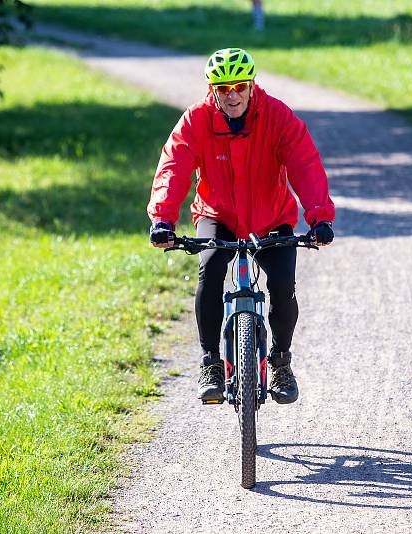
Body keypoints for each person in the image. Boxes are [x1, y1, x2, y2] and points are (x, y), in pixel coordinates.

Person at [147, 47, 335, 405]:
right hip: (217, 214)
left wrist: (320, 216)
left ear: (251, 85)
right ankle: (210, 363)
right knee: (211, 270)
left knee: (282, 285)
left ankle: (280, 362)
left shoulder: (277, 116)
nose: (231, 95)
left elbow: (305, 165)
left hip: (272, 216)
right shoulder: (197, 120)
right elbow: (174, 167)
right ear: (211, 90)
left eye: (238, 86)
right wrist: (163, 219)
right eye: (222, 88)